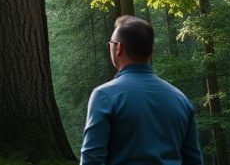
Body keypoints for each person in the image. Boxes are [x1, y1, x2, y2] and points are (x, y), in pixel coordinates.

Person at [81, 15, 203, 165]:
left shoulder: (104, 96)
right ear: (151, 52)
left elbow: (92, 159)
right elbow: (194, 160)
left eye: (111, 43)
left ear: (118, 48)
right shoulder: (180, 99)